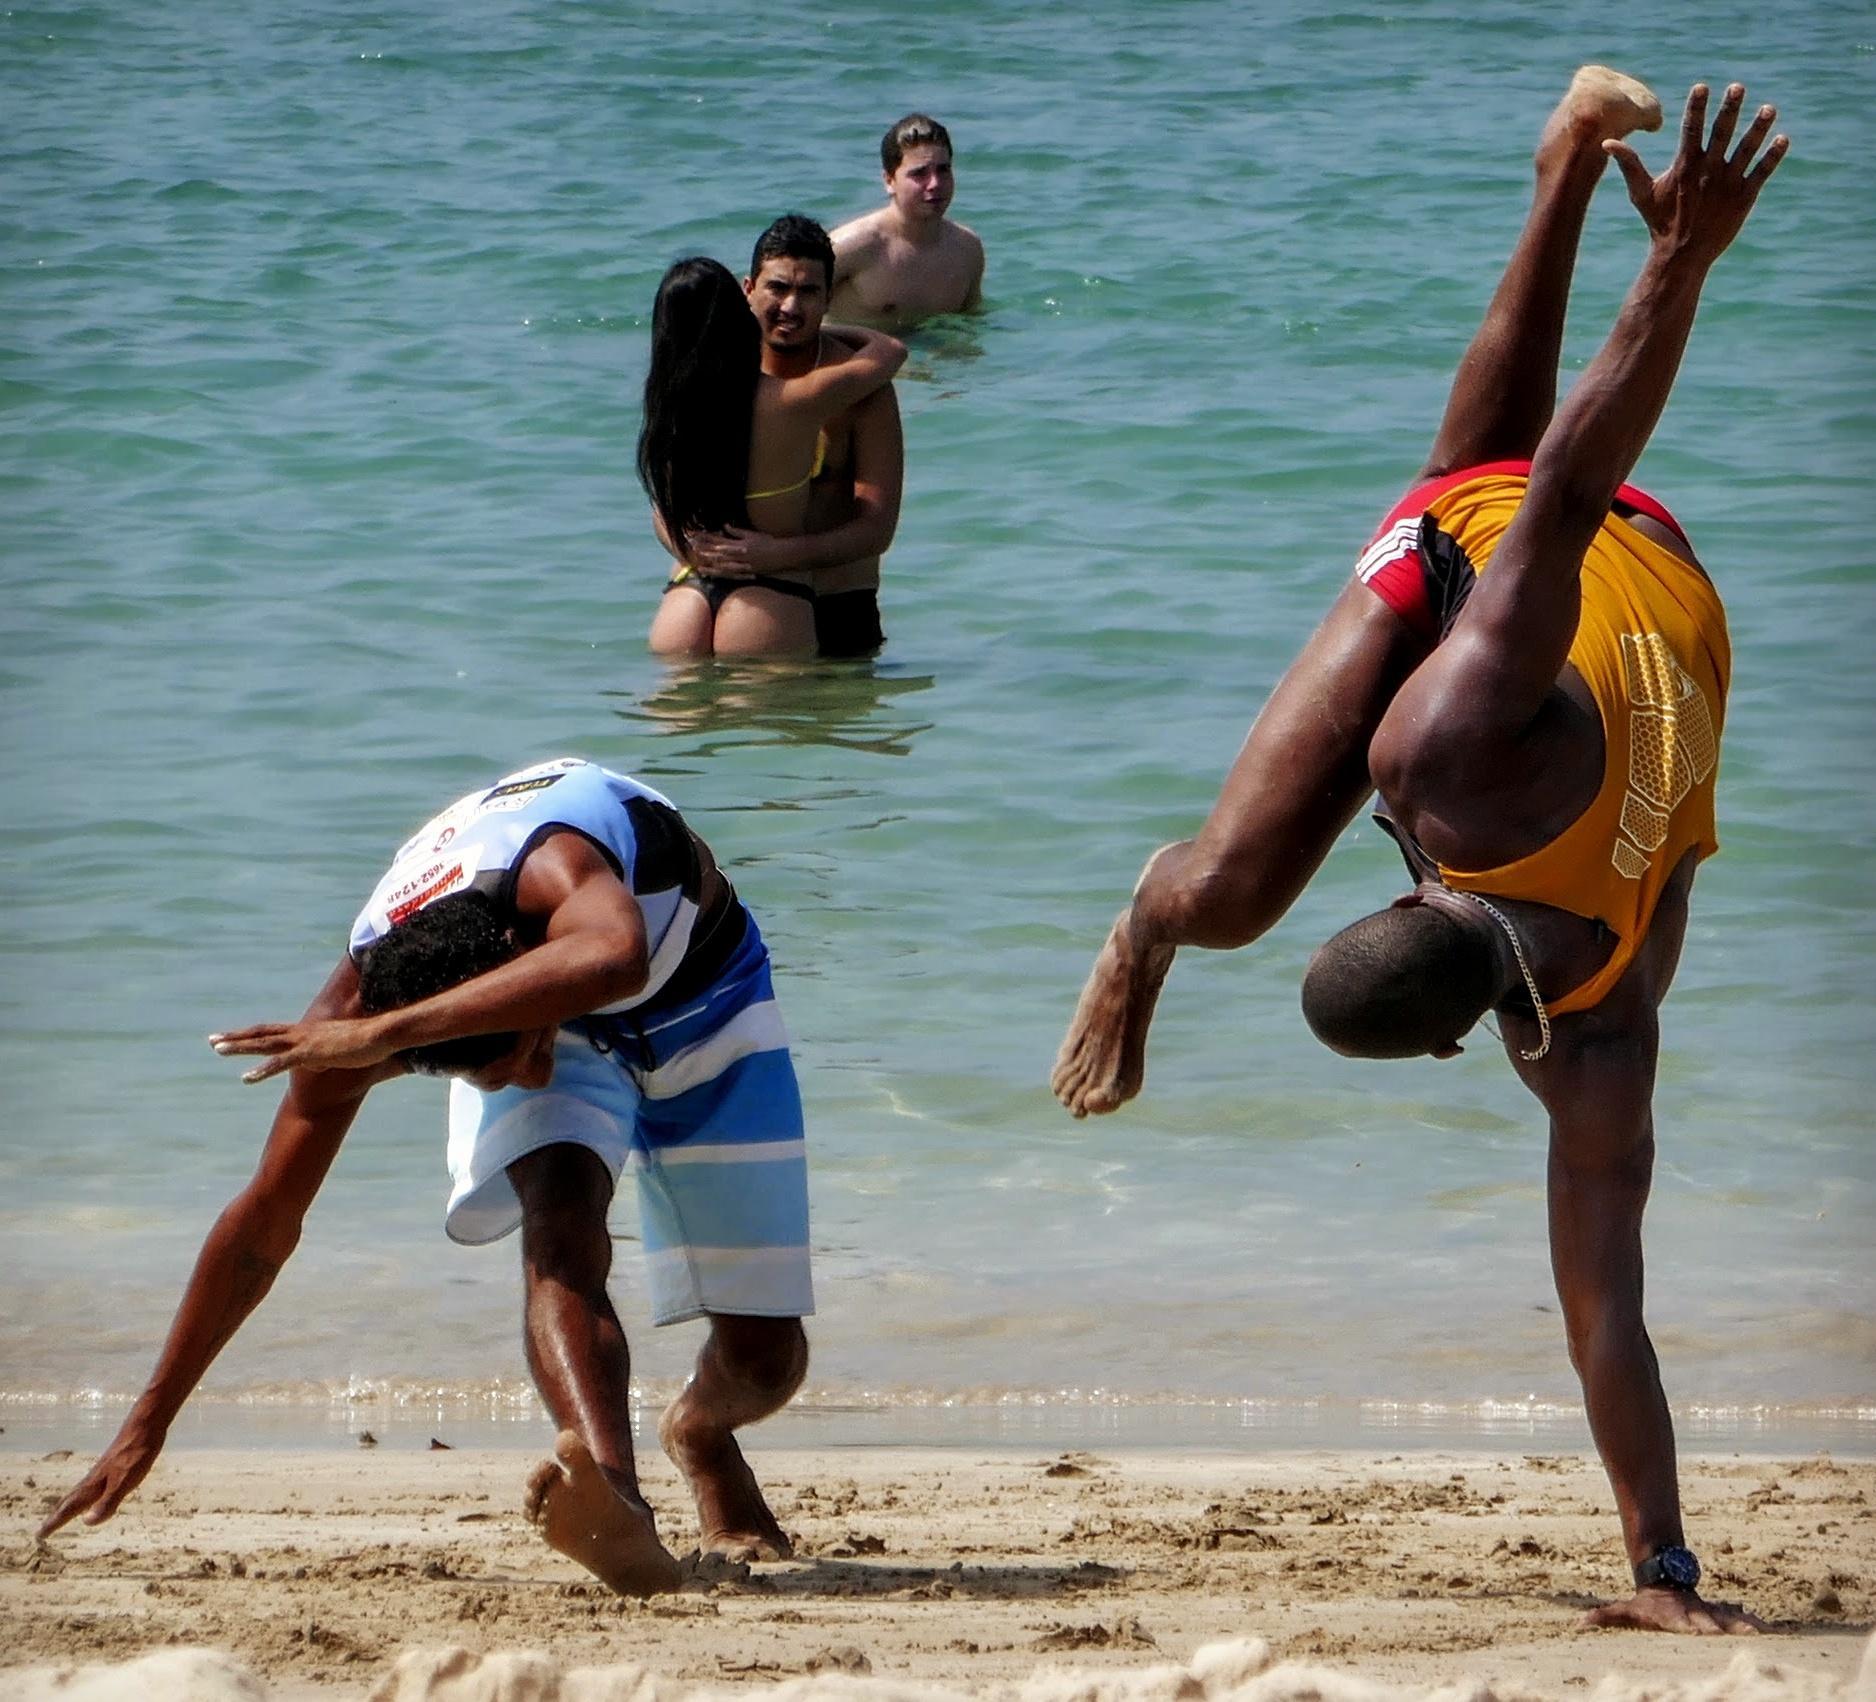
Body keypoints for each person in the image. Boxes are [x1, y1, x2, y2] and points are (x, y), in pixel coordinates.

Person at [1054, 71, 1787, 1636]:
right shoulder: (1544, 925)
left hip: (1609, 552)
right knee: (1477, 512)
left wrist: (1682, 265)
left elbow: (1556, 482)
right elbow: (1549, 493)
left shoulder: (1484, 823)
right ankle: (1561, 167)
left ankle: (1563, 166)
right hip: (1607, 554)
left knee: (1477, 498)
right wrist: (1675, 267)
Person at [37, 757, 820, 1598]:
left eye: (521, 1053)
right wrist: (147, 1423)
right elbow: (265, 1224)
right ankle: (617, 1503)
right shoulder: (351, 1018)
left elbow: (616, 958)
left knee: (767, 1358)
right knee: (560, 1230)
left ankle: (700, 1433)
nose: (526, 1077)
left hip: (704, 989)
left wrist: (393, 1036)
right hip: (488, 1006)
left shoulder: (552, 865)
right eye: (490, 1074)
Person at [645, 215, 905, 659]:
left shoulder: (863, 392)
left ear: (829, 299)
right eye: (778, 288)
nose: (791, 306)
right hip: (746, 597)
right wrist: (691, 548)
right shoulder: (713, 381)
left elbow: (876, 530)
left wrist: (778, 555)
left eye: (808, 292)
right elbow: (664, 505)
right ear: (748, 290)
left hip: (838, 601)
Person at [829, 114, 985, 329]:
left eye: (943, 170)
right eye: (919, 173)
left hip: (934, 356)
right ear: (889, 181)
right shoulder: (851, 246)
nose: (934, 184)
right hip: (859, 355)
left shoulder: (967, 248)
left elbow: (972, 322)